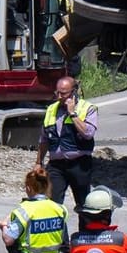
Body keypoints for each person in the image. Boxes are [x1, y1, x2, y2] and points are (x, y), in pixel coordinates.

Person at [35, 77, 97, 215]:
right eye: (57, 92)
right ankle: (59, 236)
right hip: (56, 165)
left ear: (74, 92)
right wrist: (39, 162)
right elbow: (44, 139)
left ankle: (84, 235)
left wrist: (73, 113)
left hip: (79, 164)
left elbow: (88, 133)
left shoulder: (88, 108)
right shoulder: (51, 109)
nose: (59, 97)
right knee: (53, 205)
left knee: (84, 205)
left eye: (63, 93)